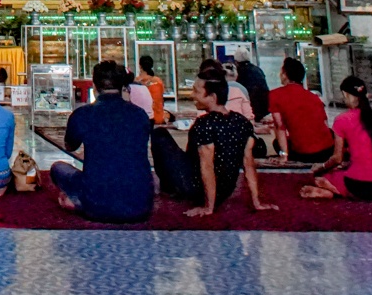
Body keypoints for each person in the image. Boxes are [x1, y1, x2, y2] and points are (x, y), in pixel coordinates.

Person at [151, 75, 277, 216]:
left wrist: (208, 207)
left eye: (197, 91)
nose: (192, 95)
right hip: (225, 191)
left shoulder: (204, 124)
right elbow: (249, 164)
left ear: (212, 97)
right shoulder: (242, 122)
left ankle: (169, 188)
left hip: (195, 187)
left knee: (160, 134)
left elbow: (207, 166)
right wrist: (256, 201)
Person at [52, 60, 155, 223]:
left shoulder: (83, 114)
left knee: (58, 168)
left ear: (94, 86)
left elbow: (70, 146)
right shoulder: (140, 115)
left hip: (97, 204)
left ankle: (77, 201)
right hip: (140, 206)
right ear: (123, 86)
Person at [301, 76, 372, 201]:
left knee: (321, 178)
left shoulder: (342, 120)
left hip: (358, 186)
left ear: (345, 94)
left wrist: (322, 167)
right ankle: (335, 190)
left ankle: (334, 190)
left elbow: (337, 158)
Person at [268, 57, 335, 164]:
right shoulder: (313, 97)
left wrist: (283, 155)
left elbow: (279, 127)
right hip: (327, 150)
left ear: (285, 75)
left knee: (277, 143)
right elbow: (325, 123)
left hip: (304, 154)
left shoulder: (275, 95)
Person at [232, 48, 272, 122]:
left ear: (236, 62)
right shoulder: (258, 70)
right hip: (264, 109)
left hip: (250, 110)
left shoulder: (239, 72)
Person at [136, 55, 168, 124]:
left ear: (140, 66)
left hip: (142, 118)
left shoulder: (136, 82)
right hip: (158, 117)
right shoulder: (158, 81)